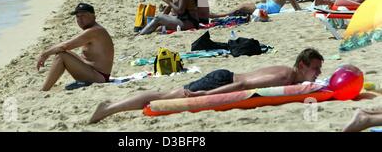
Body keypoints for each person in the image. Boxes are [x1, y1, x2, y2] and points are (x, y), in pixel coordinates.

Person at [89, 48, 323, 123]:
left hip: (224, 79)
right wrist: (207, 93)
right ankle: (108, 108)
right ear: (302, 65)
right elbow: (242, 84)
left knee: (165, 96)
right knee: (163, 98)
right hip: (222, 81)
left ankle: (111, 106)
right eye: (315, 69)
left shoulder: (289, 73)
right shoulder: (284, 77)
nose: (318, 74)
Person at [37, 3, 114, 91]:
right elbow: (66, 45)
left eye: (83, 15)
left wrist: (44, 54)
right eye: (77, 16)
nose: (80, 19)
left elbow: (66, 46)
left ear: (93, 16)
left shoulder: (95, 31)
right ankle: (45, 89)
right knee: (63, 53)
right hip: (94, 72)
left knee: (61, 55)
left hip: (98, 77)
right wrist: (47, 53)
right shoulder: (93, 30)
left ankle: (44, 90)